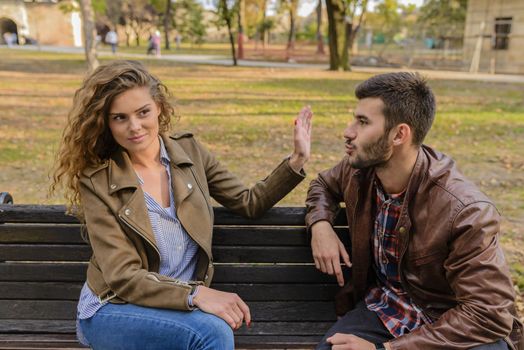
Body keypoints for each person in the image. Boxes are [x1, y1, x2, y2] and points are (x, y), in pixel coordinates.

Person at [50, 60, 312, 349]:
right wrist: (196, 295)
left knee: (208, 330)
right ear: (106, 123)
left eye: (143, 112)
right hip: (113, 309)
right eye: (120, 118)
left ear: (159, 107)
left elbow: (249, 202)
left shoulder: (189, 153)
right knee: (211, 333)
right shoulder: (99, 181)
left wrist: (296, 160)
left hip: (176, 312)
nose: (134, 126)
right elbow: (123, 277)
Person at [305, 72, 522, 350]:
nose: (348, 132)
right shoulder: (359, 170)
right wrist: (320, 225)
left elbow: (487, 314)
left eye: (362, 122)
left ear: (399, 134)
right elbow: (322, 184)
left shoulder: (465, 210)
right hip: (387, 309)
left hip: (454, 328)